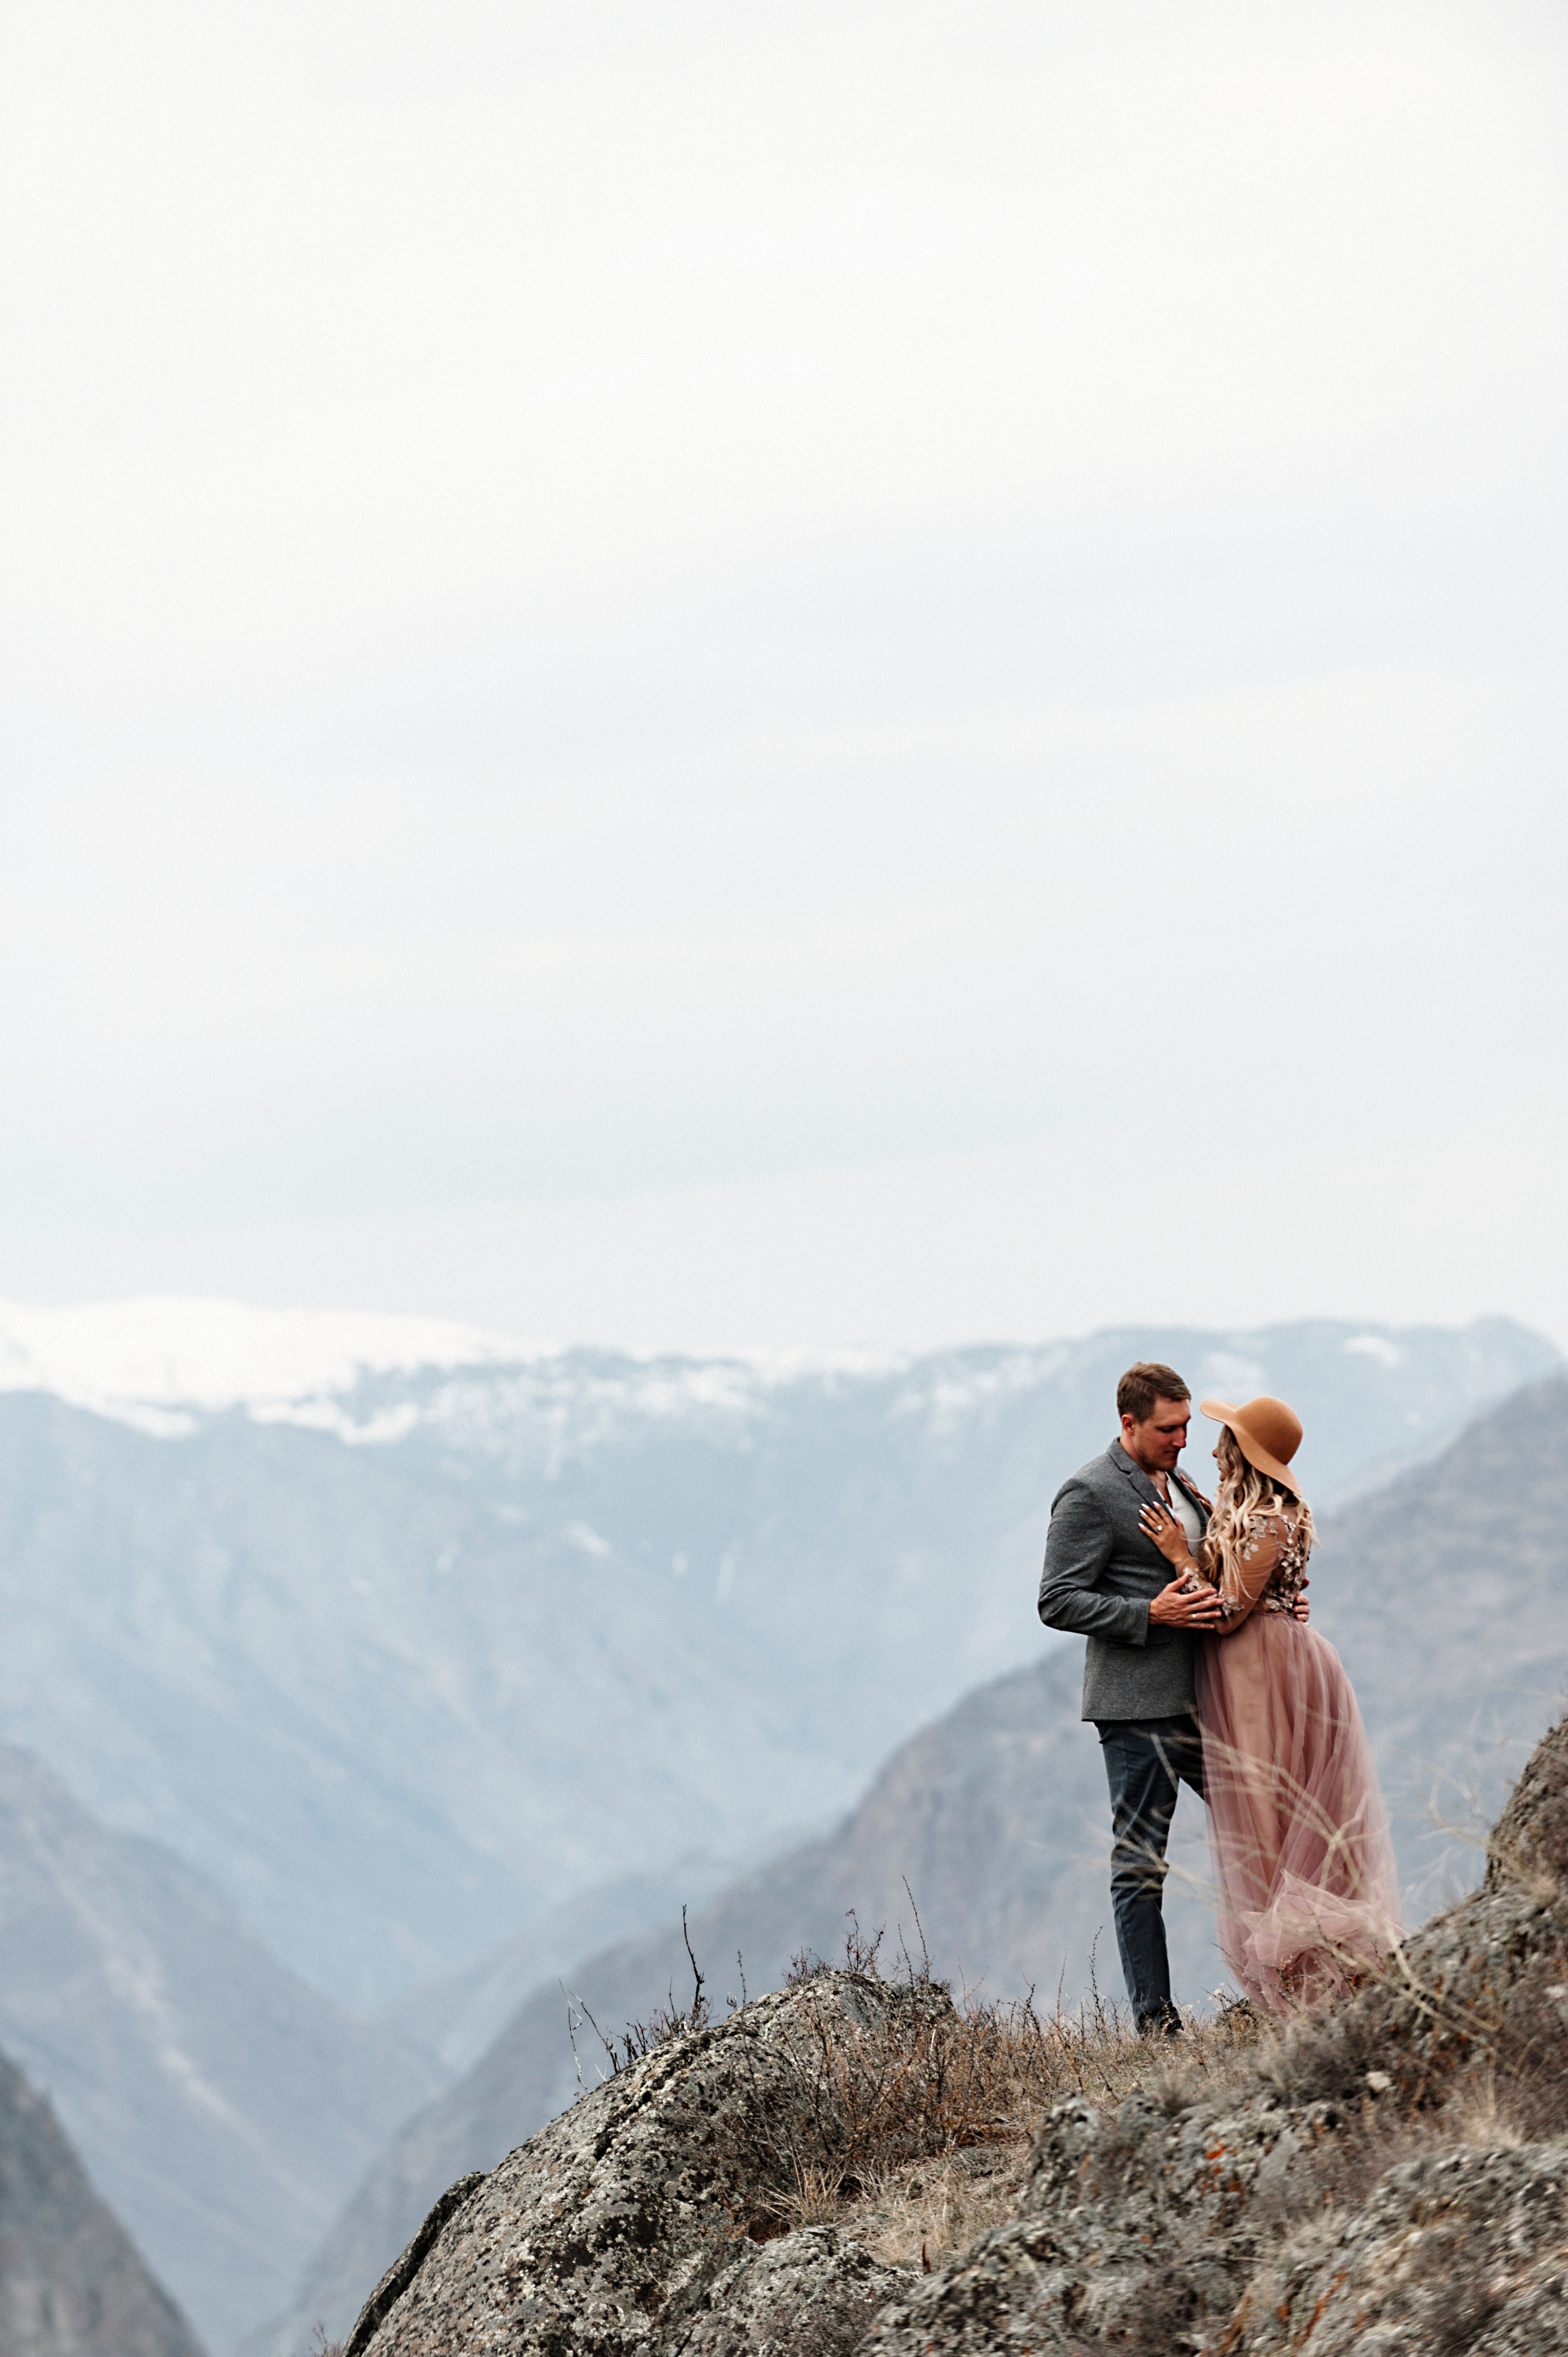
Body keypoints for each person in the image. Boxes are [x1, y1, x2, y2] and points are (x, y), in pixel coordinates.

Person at [1138, 1393, 1400, 2011]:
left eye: (1223, 1438)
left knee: (1274, 1813)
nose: (1211, 1447)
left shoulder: (1270, 1520)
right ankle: (1287, 1980)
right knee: (1262, 1818)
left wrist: (1179, 1554)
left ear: (1244, 1450)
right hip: (1249, 1671)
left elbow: (1228, 1612)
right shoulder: (1239, 1512)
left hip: (1267, 1674)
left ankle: (1309, 1976)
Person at [1038, 1362, 1225, 2035]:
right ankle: (1156, 2022)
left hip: (1206, 1699)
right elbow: (1056, 1599)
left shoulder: (1179, 1480)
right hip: (1136, 1706)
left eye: (1185, 1427)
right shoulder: (1088, 1492)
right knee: (1141, 1862)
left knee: (1263, 1824)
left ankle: (1289, 1979)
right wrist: (1150, 1614)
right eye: (1168, 1428)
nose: (1183, 1440)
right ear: (1129, 1423)